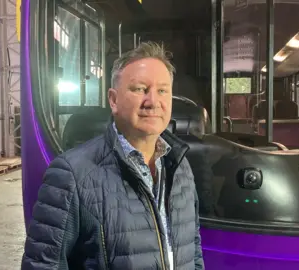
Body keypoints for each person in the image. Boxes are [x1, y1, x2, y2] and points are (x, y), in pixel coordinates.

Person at [21, 41, 204, 270]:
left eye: (162, 91)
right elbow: (42, 265)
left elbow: (193, 248)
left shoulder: (180, 167)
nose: (153, 102)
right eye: (140, 89)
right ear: (113, 100)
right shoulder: (72, 175)